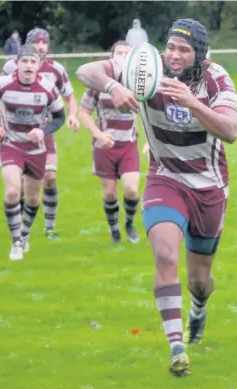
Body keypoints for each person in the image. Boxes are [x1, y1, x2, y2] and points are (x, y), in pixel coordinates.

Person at [77, 18, 237, 377]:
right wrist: (112, 87)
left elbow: (231, 131)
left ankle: (198, 307)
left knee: (200, 279)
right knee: (165, 253)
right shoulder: (146, 65)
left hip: (209, 187)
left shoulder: (216, 78)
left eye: (184, 49)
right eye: (171, 46)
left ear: (200, 55)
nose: (175, 55)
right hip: (165, 179)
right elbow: (86, 70)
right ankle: (176, 346)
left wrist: (193, 103)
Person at [0, 45, 66, 261]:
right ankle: (16, 242)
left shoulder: (48, 89)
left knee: (32, 198)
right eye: (24, 61)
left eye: (33, 62)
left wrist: (43, 130)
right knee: (12, 192)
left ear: (38, 66)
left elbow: (60, 117)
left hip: (36, 149)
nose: (28, 66)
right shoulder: (3, 84)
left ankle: (25, 234)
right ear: (16, 64)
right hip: (10, 144)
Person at [0, 28, 80, 240]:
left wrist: (72, 116)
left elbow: (70, 96)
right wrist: (0, 126)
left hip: (43, 132)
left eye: (45, 43)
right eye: (37, 42)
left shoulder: (56, 69)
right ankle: (20, 231)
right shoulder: (11, 66)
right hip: (14, 134)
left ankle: (49, 228)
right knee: (21, 188)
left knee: (50, 178)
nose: (42, 46)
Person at [78, 41, 141, 244]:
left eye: (127, 53)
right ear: (111, 57)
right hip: (105, 146)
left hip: (129, 145)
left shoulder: (138, 83)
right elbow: (84, 113)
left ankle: (129, 224)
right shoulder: (98, 84)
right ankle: (114, 230)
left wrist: (151, 142)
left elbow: (151, 115)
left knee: (132, 189)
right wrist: (98, 134)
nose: (122, 56)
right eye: (119, 53)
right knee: (109, 192)